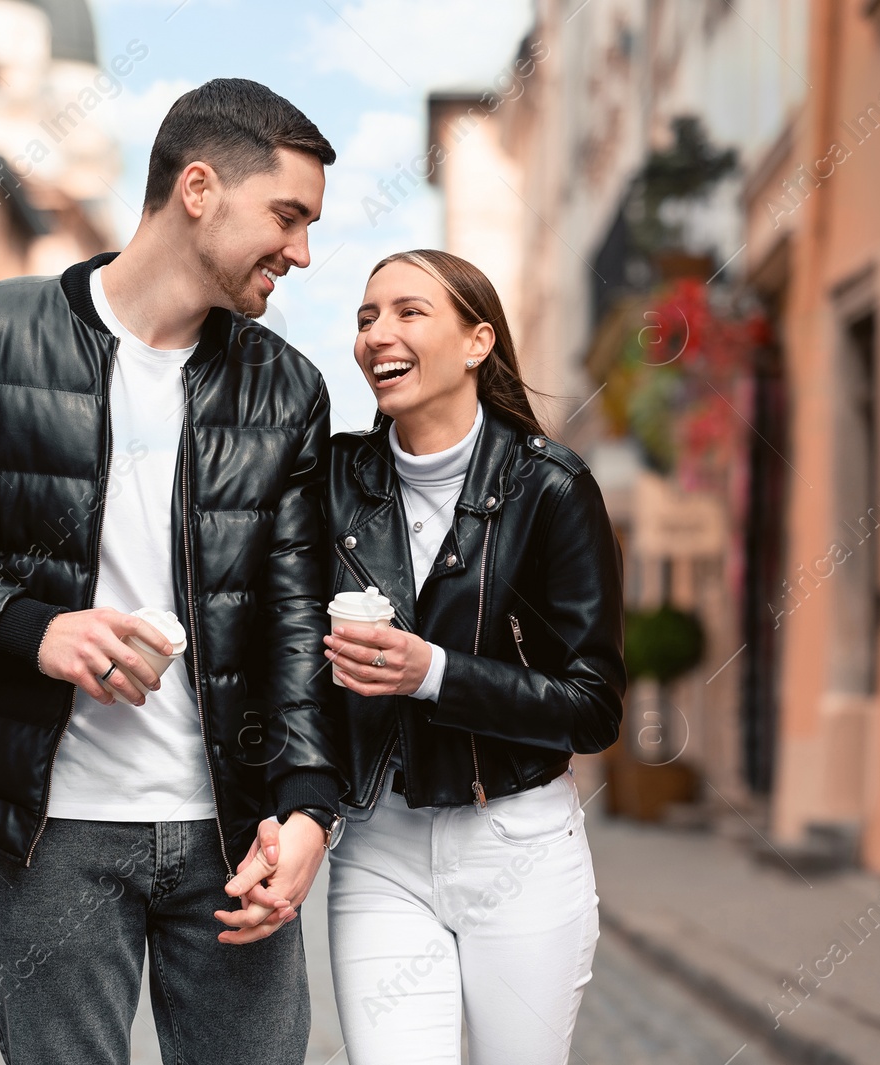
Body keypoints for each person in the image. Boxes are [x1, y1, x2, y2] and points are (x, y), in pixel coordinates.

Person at [0, 79, 347, 1065]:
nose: (302, 252)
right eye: (287, 216)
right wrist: (31, 626)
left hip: (233, 834)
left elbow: (296, 615)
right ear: (198, 188)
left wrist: (309, 806)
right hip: (54, 835)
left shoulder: (287, 389)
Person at [320, 249, 627, 1063]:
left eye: (408, 311)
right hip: (378, 845)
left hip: (518, 845)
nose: (377, 333)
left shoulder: (551, 488)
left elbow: (593, 704)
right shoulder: (330, 482)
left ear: (476, 341)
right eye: (365, 316)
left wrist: (434, 674)